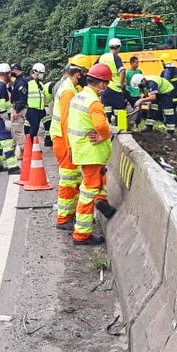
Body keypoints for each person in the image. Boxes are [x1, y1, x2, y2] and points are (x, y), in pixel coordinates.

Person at [67, 63, 117, 246]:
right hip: (91, 153)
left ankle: (101, 201)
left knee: (98, 181)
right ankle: (82, 235)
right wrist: (104, 135)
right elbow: (102, 126)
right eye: (106, 84)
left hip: (81, 150)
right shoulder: (93, 102)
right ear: (102, 84)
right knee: (87, 193)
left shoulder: (78, 96)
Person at [50, 65, 85, 231]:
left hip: (64, 140)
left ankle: (71, 214)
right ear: (78, 74)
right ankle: (64, 218)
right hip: (64, 142)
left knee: (74, 179)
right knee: (68, 180)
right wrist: (71, 146)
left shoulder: (68, 87)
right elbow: (66, 121)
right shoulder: (68, 91)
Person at [0, 63, 20, 174]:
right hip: (0, 118)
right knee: (7, 142)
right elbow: (2, 105)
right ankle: (13, 167)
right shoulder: (1, 87)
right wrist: (6, 119)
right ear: (6, 74)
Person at [97, 38, 128, 125]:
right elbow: (122, 71)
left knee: (107, 108)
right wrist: (121, 84)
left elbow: (95, 68)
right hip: (115, 88)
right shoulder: (116, 57)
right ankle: (121, 127)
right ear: (118, 47)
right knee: (120, 109)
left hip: (104, 87)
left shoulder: (102, 57)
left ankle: (107, 125)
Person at [25, 63, 51, 144]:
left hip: (41, 109)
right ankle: (30, 146)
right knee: (34, 127)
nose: (42, 75)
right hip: (32, 109)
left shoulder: (40, 84)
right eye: (41, 73)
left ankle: (48, 140)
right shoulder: (28, 82)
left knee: (48, 121)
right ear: (35, 72)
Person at [9, 62, 29, 157]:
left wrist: (17, 111)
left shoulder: (21, 82)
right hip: (15, 107)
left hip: (19, 108)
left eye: (12, 70)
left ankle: (23, 150)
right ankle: (12, 152)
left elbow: (22, 99)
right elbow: (12, 90)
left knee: (18, 131)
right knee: (14, 130)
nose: (11, 72)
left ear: (16, 70)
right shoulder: (16, 80)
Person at [159, 54, 177, 134]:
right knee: (174, 111)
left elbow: (165, 84)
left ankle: (168, 127)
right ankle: (176, 125)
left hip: (169, 96)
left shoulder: (166, 72)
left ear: (164, 62)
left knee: (167, 113)